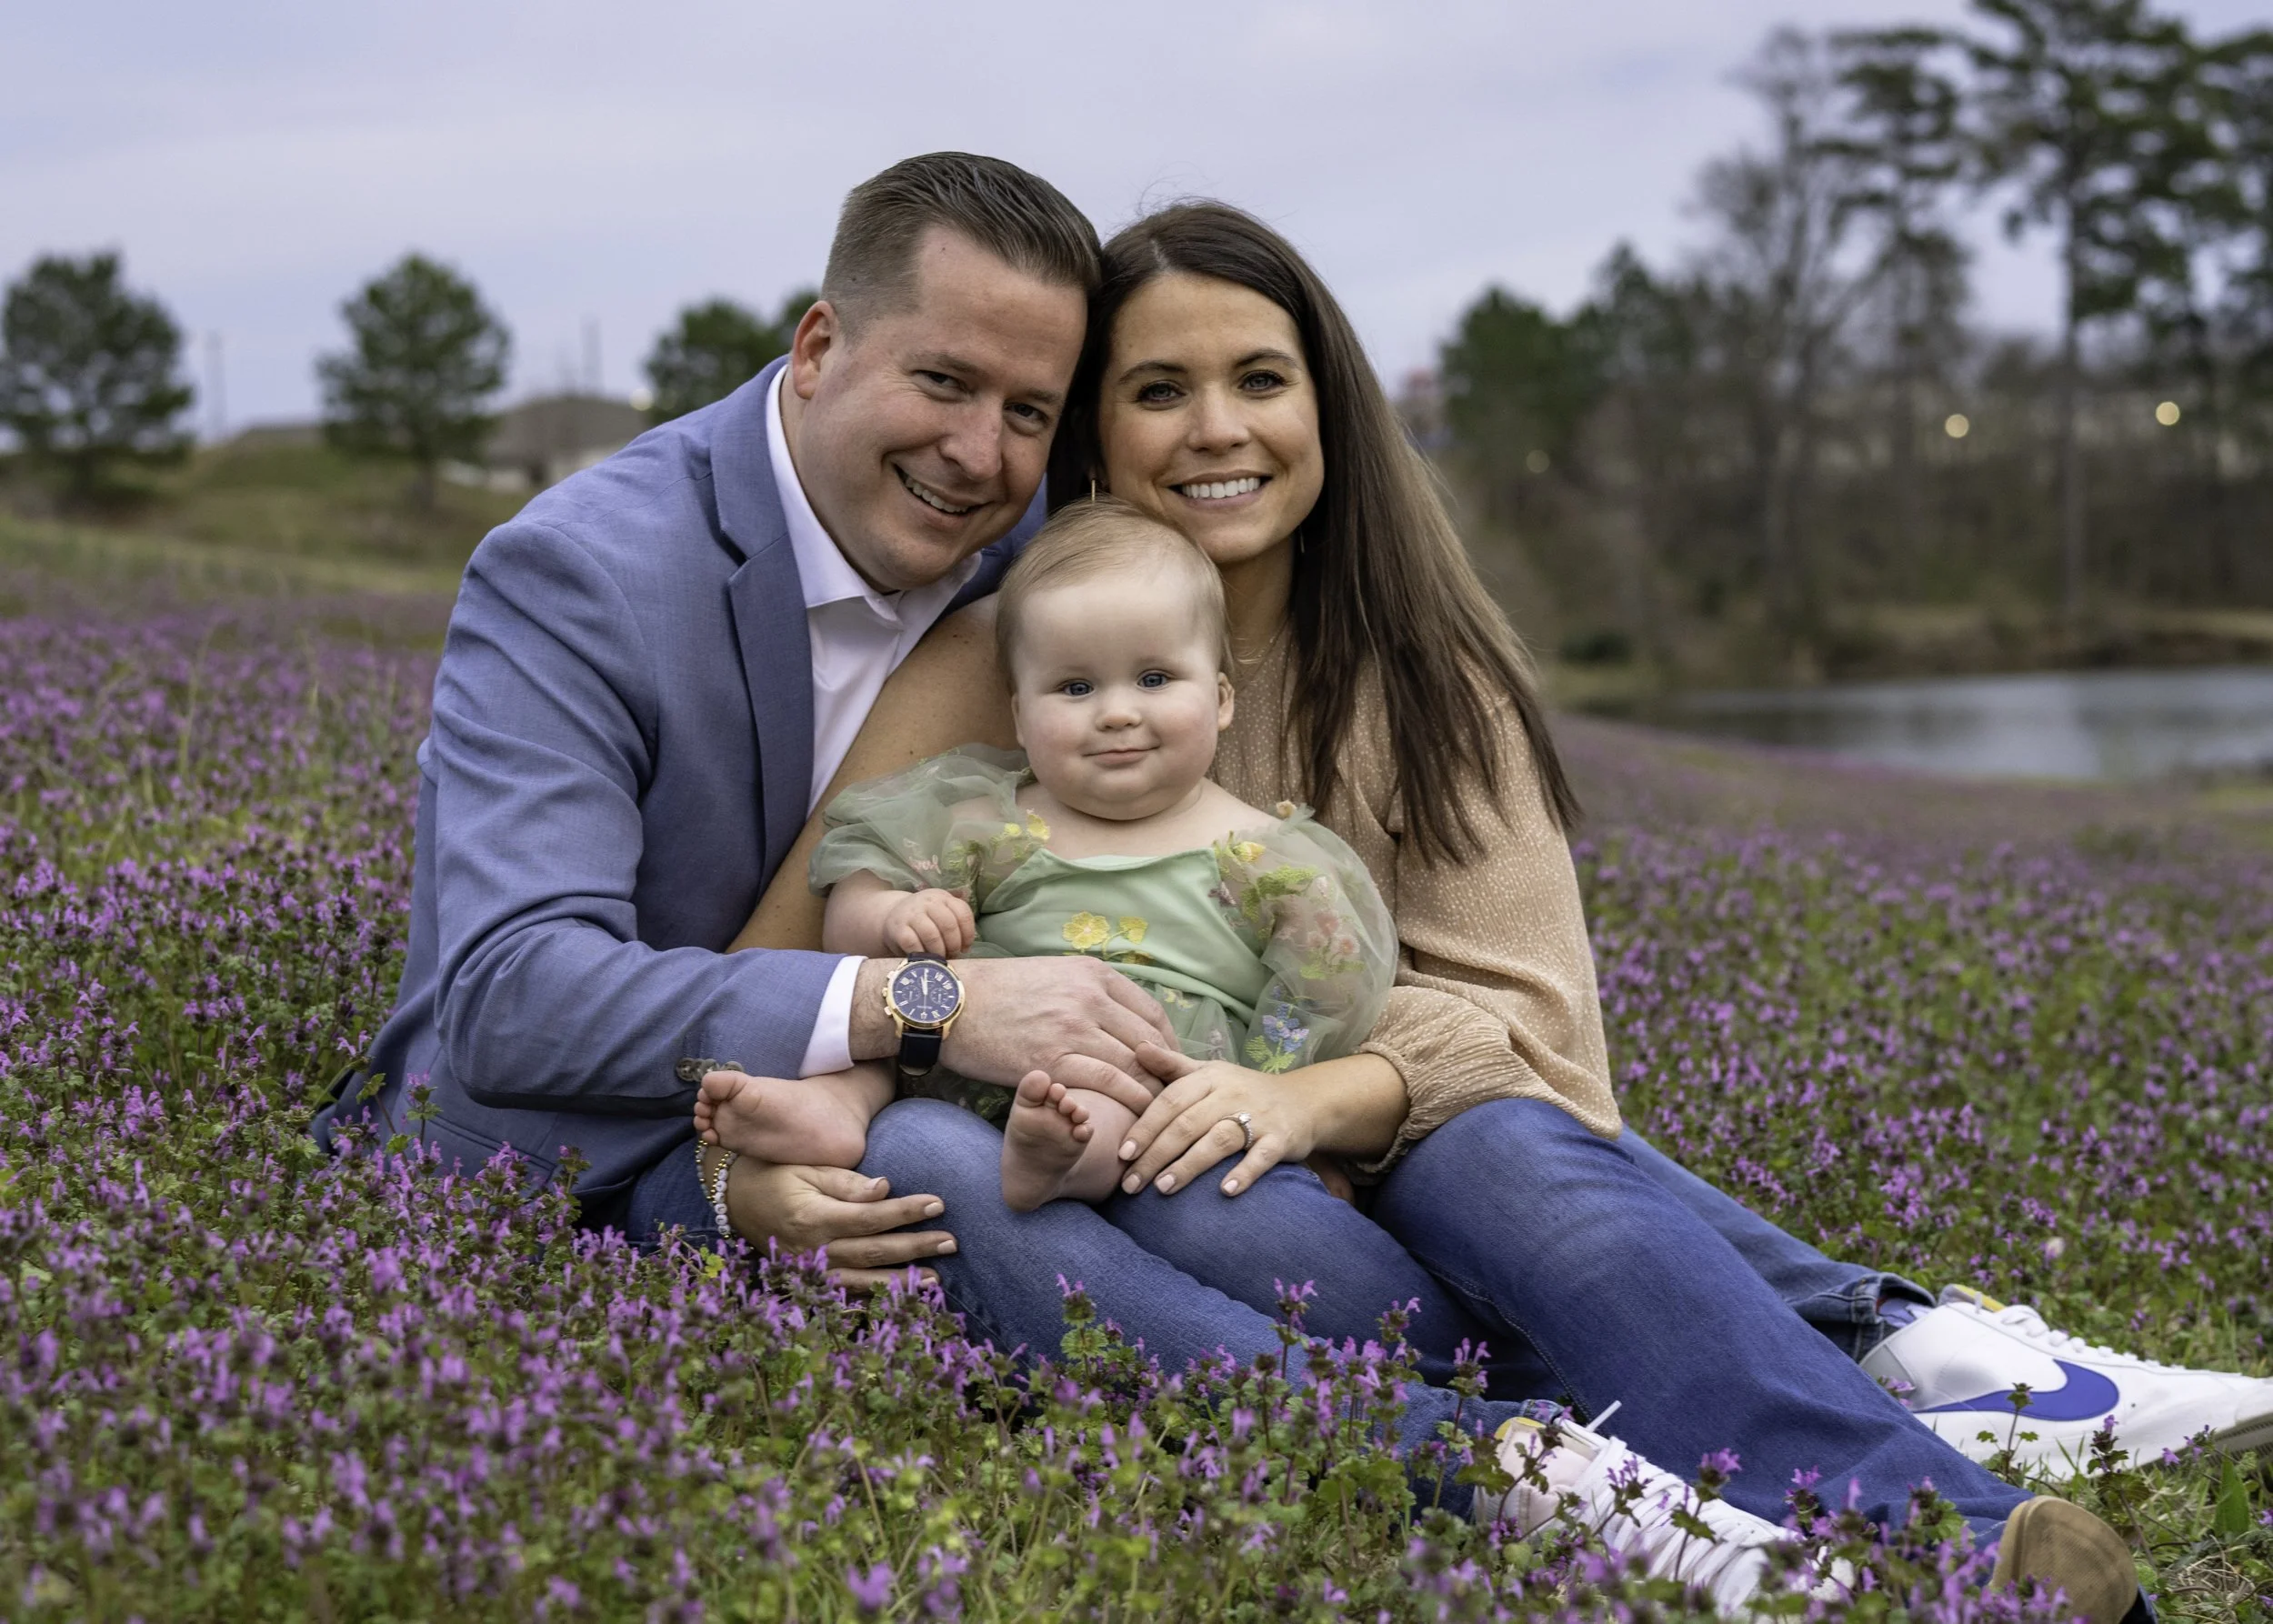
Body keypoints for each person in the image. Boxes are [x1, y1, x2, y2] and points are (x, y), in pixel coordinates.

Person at [313, 152, 1837, 1599]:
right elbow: (511, 1003)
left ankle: (1828, 1339)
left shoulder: (1031, 550)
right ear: (824, 340)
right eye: (943, 381)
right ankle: (1499, 1463)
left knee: (1252, 1134)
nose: (983, 453)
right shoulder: (582, 572)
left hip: (946, 1103)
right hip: (630, 1143)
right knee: (947, 1166)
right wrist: (925, 1015)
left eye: (1032, 411)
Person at [711, 199, 2177, 1624]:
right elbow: (775, 969)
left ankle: (1957, 1538)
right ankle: (1671, 1426)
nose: (1216, 426)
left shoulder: (1427, 675)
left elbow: (1536, 1041)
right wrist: (812, 1112)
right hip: (1077, 1141)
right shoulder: (1010, 648)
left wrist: (1303, 1090)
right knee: (953, 1165)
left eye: (1260, 380)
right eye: (1160, 390)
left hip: (1375, 1146)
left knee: (1503, 1153)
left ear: (1327, 409)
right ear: (1100, 434)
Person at [693, 500, 1397, 1212]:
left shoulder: (1268, 858)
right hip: (960, 1047)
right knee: (888, 1038)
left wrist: (1289, 1102)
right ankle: (833, 1112)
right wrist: (894, 916)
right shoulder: (987, 820)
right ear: (1021, 717)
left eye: (1154, 679)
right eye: (1075, 687)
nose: (1117, 712)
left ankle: (1059, 1158)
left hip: (1135, 1075)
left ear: (1219, 699)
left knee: (1111, 1102)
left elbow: (1321, 999)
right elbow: (846, 922)